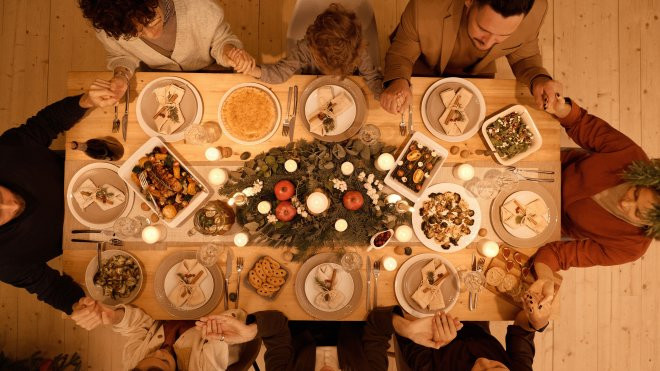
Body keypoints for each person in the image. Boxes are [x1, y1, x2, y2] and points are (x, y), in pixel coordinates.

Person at [0, 81, 118, 314]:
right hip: (106, 231)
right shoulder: (5, 263)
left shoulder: (5, 152)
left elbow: (45, 124)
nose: (10, 205)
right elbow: (49, 288)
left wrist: (85, 101)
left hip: (101, 168)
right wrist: (76, 304)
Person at [532, 96, 659, 281]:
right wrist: (561, 108)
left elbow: (560, 255)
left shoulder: (631, 247)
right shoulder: (632, 157)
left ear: (648, 226)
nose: (625, 202)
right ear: (644, 179)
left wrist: (545, 279)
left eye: (637, 213)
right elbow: (581, 122)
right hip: (551, 168)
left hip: (547, 219)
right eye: (636, 193)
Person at [380, 0, 561, 114]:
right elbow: (401, 53)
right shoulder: (425, 5)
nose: (489, 43)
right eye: (483, 29)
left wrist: (539, 79)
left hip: (479, 77)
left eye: (503, 35)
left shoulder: (536, 10)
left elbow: (523, 58)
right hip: (420, 69)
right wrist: (397, 80)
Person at [78, 0, 255, 100]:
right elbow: (121, 55)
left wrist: (229, 51)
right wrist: (121, 75)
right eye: (137, 33)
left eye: (152, 20)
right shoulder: (111, 27)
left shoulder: (199, 7)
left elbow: (221, 40)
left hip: (211, 70)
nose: (151, 34)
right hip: (159, 80)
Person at [365, 278, 554, 371]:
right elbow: (521, 329)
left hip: (422, 316)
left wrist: (430, 336)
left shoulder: (427, 367)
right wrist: (537, 321)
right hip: (475, 319)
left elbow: (398, 320)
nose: (482, 361)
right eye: (497, 367)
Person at [239, 3, 383, 97]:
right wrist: (253, 70)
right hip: (310, 88)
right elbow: (280, 72)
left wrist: (383, 94)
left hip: (351, 91)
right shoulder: (307, 47)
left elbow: (372, 79)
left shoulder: (359, 51)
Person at [71, 298, 246, 370]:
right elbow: (234, 321)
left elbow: (139, 327)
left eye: (149, 355)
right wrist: (217, 330)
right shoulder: (204, 368)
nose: (159, 351)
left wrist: (115, 317)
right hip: (218, 309)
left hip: (169, 310)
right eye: (164, 361)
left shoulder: (132, 361)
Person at [195, 310, 390, 370]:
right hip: (353, 314)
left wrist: (250, 332)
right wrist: (407, 329)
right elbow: (377, 325)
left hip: (299, 315)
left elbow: (278, 326)